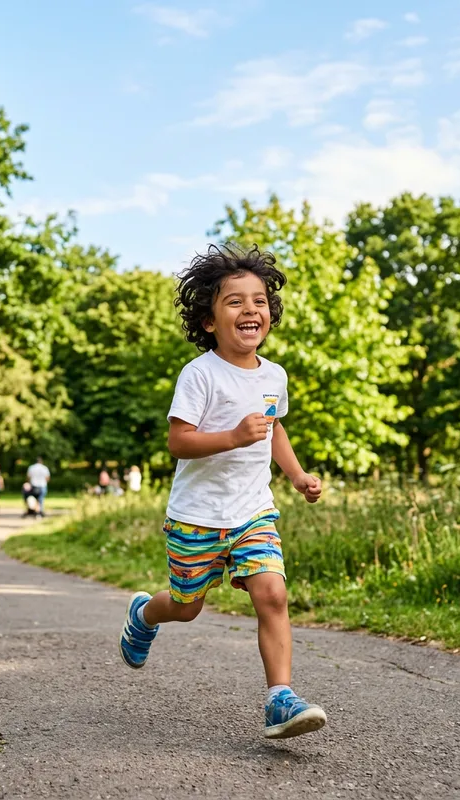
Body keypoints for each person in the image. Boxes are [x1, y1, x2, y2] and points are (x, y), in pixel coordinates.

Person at [118, 243, 326, 741]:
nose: (250, 309)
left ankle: (280, 699)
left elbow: (274, 429)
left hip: (254, 511)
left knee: (272, 594)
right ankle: (144, 614)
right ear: (209, 320)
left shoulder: (274, 375)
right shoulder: (200, 375)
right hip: (197, 516)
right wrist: (232, 436)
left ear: (269, 315)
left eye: (258, 301)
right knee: (188, 606)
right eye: (234, 301)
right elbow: (179, 441)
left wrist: (296, 476)